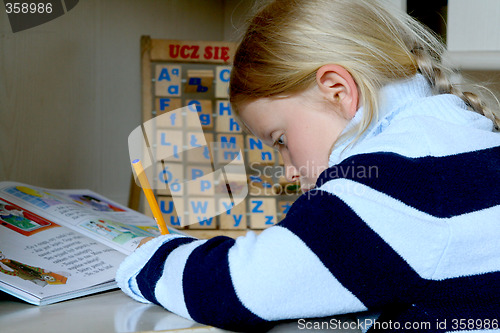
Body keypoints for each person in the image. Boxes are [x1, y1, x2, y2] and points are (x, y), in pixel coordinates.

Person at [117, 0, 500, 331]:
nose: (286, 170)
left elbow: (239, 288)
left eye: (280, 140)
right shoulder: (462, 141)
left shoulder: (386, 181)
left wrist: (151, 257)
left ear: (337, 90)